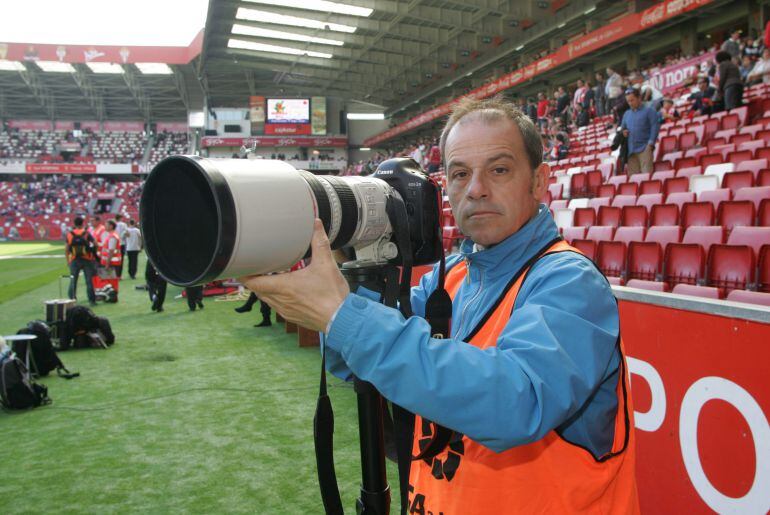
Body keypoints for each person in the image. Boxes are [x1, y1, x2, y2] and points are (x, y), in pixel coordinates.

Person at [243, 96, 639, 513]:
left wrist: (344, 316)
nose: (477, 189)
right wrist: (340, 280)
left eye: (499, 170)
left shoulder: (569, 280)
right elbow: (354, 361)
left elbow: (517, 403)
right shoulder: (449, 279)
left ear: (539, 181)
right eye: (460, 173)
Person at [621, 87, 659, 175]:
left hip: (644, 149)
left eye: (632, 100)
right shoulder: (626, 114)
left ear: (639, 98)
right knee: (633, 179)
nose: (630, 103)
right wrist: (623, 132)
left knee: (646, 177)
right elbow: (623, 128)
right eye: (628, 101)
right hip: (631, 151)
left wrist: (650, 144)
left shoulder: (649, 111)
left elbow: (655, 127)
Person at [65, 215, 97, 306]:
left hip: (74, 259)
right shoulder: (86, 233)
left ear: (74, 224)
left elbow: (67, 249)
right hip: (87, 259)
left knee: (73, 280)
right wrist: (92, 252)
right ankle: (92, 300)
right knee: (89, 281)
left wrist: (68, 260)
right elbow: (95, 244)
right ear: (83, 223)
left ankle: (72, 300)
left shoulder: (70, 234)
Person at [114, 213, 128, 278]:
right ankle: (119, 275)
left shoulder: (113, 224)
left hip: (114, 243)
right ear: (120, 218)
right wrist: (122, 237)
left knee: (114, 259)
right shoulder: (123, 224)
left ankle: (114, 274)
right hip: (121, 243)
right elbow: (126, 232)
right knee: (120, 260)